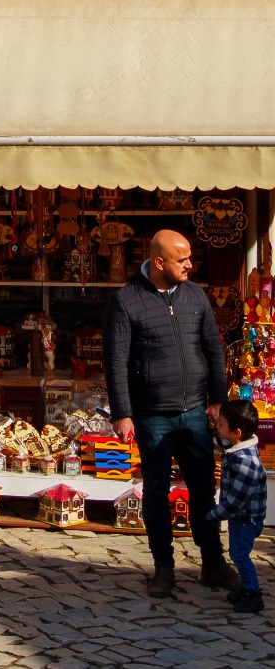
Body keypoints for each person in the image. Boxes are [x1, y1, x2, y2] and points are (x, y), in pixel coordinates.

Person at [103, 229, 238, 598]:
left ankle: (213, 563)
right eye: (183, 260)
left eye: (190, 257)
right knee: (156, 492)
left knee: (203, 490)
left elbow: (213, 348)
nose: (191, 265)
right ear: (159, 262)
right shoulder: (126, 300)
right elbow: (115, 362)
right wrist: (123, 412)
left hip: (194, 411)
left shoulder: (195, 295)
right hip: (151, 416)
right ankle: (163, 568)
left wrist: (217, 399)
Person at [206, 400, 267, 613]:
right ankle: (247, 589)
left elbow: (237, 500)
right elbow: (224, 444)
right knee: (238, 552)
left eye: (221, 425)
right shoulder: (239, 448)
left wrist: (215, 514)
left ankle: (252, 593)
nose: (217, 427)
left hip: (245, 518)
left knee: (240, 554)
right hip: (240, 517)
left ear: (237, 432)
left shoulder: (244, 463)